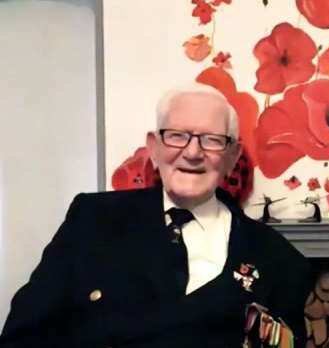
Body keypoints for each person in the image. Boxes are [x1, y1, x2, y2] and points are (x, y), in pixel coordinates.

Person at [0, 83, 312, 347]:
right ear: (154, 146)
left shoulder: (279, 261)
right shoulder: (92, 221)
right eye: (177, 135)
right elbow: (23, 336)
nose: (192, 153)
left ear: (232, 157)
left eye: (212, 140)